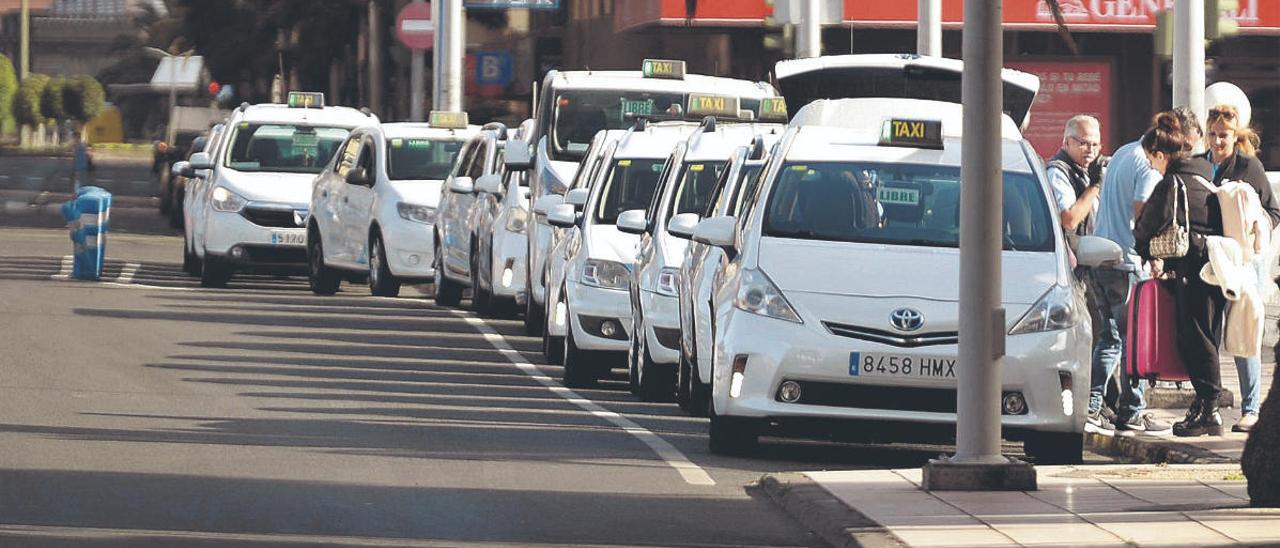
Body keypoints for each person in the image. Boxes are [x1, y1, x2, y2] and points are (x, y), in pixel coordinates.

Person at [1134, 111, 1224, 438]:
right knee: (1206, 336)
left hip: (1193, 267)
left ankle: (1209, 409)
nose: (1151, 166)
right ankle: (1203, 408)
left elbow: (1146, 227)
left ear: (1161, 155)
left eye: (1151, 159)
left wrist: (1144, 248)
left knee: (1195, 337)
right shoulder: (1204, 176)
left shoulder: (1172, 181)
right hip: (1214, 266)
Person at [1087, 114, 1179, 435]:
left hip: (1101, 255)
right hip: (1128, 261)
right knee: (1133, 342)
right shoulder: (1147, 167)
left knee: (1109, 339)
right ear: (1161, 151)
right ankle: (1132, 410)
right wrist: (1154, 255)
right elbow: (1143, 211)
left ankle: (1093, 406)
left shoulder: (1125, 151)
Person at [1204, 103, 1278, 432]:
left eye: (1224, 136)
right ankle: (1209, 403)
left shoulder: (1249, 166)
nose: (1218, 142)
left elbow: (1273, 213)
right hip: (1210, 260)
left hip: (1243, 261)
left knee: (1245, 329)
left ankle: (1251, 408)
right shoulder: (1200, 166)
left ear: (1236, 137)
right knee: (1210, 333)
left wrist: (1252, 226)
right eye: (1214, 135)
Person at [1047, 115, 1105, 236]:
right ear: (1067, 142)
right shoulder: (1057, 172)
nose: (1090, 150)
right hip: (1072, 252)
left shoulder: (1091, 170)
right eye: (1084, 143)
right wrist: (1094, 186)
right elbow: (1069, 221)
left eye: (1095, 145)